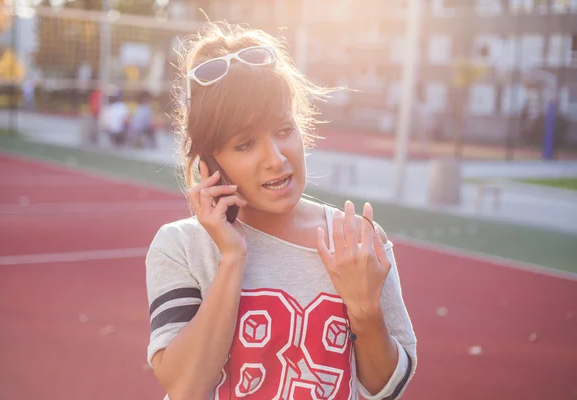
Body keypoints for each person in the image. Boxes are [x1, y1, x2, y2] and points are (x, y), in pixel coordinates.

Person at [145, 21, 417, 400]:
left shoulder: (355, 242)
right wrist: (232, 258)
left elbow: (386, 389)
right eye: (245, 144)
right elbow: (186, 387)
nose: (275, 158)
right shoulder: (181, 246)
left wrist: (364, 309)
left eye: (284, 129)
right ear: (209, 162)